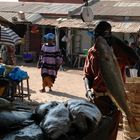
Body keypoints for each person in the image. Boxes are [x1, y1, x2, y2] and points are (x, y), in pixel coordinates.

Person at [83, 21, 138, 140]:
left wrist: (117, 41)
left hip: (113, 101)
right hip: (96, 100)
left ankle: (130, 118)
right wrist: (88, 90)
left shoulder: (117, 51)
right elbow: (87, 75)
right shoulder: (91, 53)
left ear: (109, 37)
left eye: (101, 36)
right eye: (96, 36)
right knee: (95, 134)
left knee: (110, 135)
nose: (97, 39)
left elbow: (135, 58)